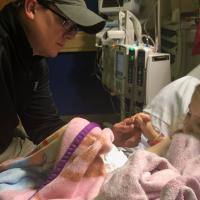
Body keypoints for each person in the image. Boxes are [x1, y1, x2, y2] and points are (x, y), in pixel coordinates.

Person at [0, 0, 106, 163]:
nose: (71, 35)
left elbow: (44, 125)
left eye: (75, 28)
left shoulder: (34, 61)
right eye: (66, 22)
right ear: (32, 8)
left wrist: (97, 139)